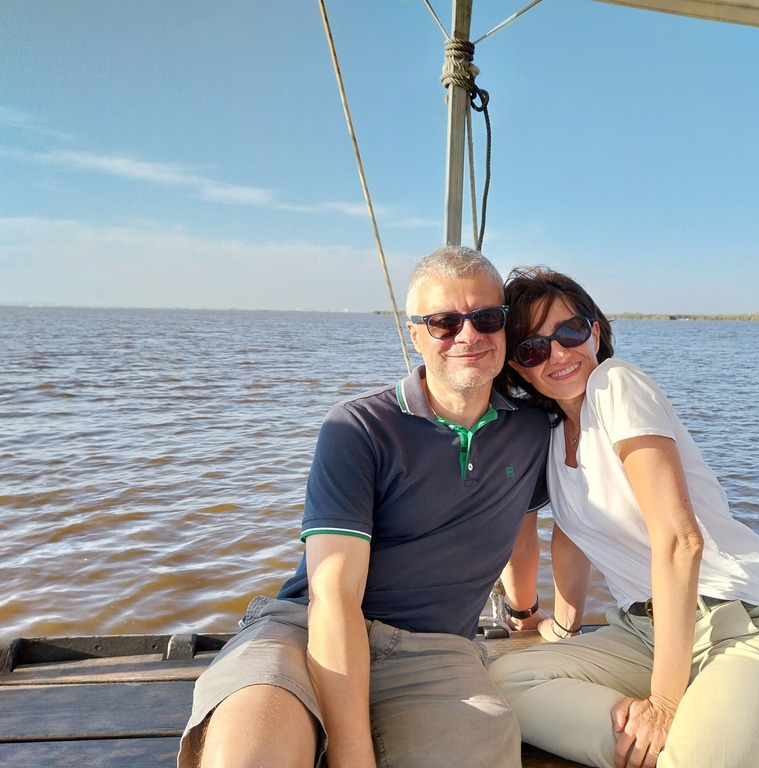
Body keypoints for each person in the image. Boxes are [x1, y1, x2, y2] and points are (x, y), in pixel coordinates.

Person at [179, 246, 550, 768]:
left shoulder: (533, 430)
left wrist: (525, 613)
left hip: (436, 652)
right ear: (414, 333)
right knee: (250, 756)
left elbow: (521, 530)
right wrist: (352, 754)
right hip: (309, 630)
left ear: (505, 326)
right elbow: (333, 593)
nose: (468, 335)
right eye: (444, 323)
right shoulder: (359, 428)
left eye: (486, 318)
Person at [488, 267, 759, 768]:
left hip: (745, 622)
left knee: (691, 761)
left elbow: (679, 540)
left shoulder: (617, 385)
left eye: (570, 332)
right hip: (645, 632)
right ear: (518, 367)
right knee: (502, 684)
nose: (557, 354)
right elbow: (573, 536)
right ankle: (714, 738)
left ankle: (706, 739)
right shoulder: (555, 434)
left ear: (595, 330)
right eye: (532, 349)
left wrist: (663, 705)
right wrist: (566, 626)